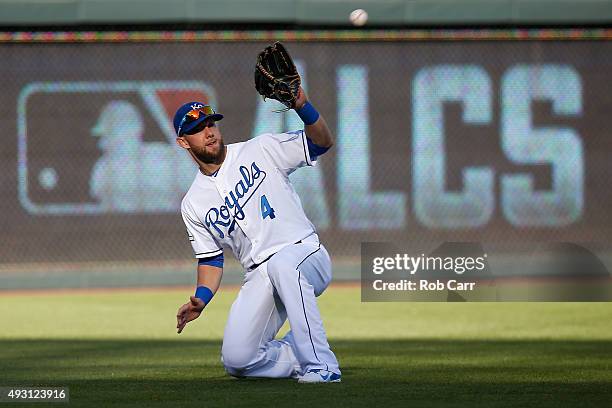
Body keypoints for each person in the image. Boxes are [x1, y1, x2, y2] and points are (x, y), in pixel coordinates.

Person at [174, 88, 341, 383]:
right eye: (197, 129)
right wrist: (201, 299)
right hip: (260, 274)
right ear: (183, 141)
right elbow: (211, 260)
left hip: (304, 252)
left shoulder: (260, 149)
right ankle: (300, 354)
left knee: (282, 264)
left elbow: (322, 142)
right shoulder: (193, 203)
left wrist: (302, 105)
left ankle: (322, 366)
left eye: (210, 123)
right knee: (239, 359)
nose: (208, 132)